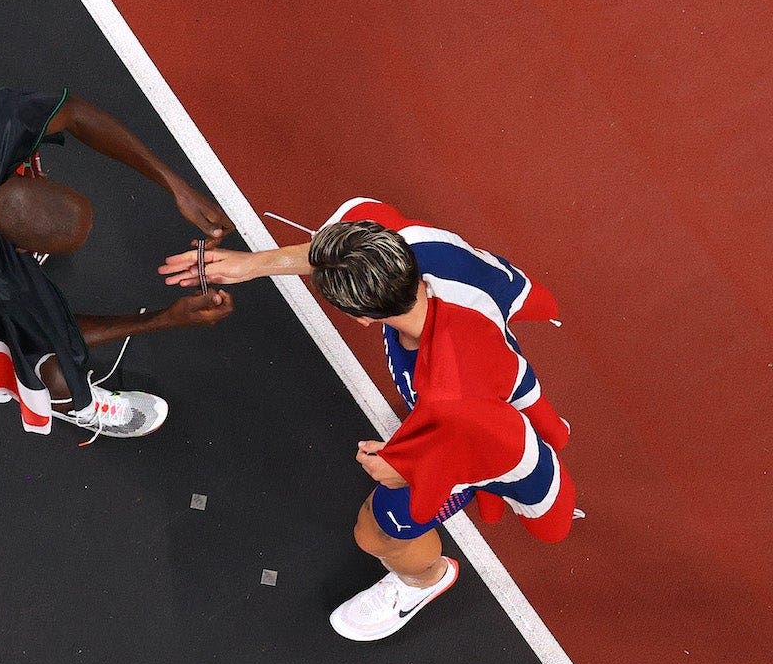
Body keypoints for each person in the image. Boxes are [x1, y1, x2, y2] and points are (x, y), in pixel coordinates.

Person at [159, 197, 576, 639]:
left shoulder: (447, 395)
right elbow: (336, 250)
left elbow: (467, 447)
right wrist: (252, 265)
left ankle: (425, 580)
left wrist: (400, 465)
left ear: (359, 317)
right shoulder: (420, 247)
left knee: (376, 534)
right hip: (483, 383)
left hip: (470, 437)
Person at [0, 87, 234, 442]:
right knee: (48, 363)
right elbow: (56, 332)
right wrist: (164, 318)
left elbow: (73, 112)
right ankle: (70, 403)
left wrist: (176, 186)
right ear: (18, 249)